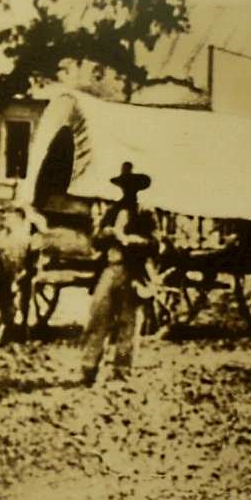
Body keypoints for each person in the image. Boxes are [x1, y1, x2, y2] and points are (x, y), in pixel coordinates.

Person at [80, 162, 158, 386]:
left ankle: (122, 373)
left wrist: (129, 240)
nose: (128, 191)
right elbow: (95, 241)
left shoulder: (145, 212)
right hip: (110, 269)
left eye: (132, 187)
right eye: (125, 186)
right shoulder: (112, 211)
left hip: (133, 271)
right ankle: (89, 368)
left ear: (138, 189)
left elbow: (155, 243)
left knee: (128, 322)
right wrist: (106, 234)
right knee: (98, 317)